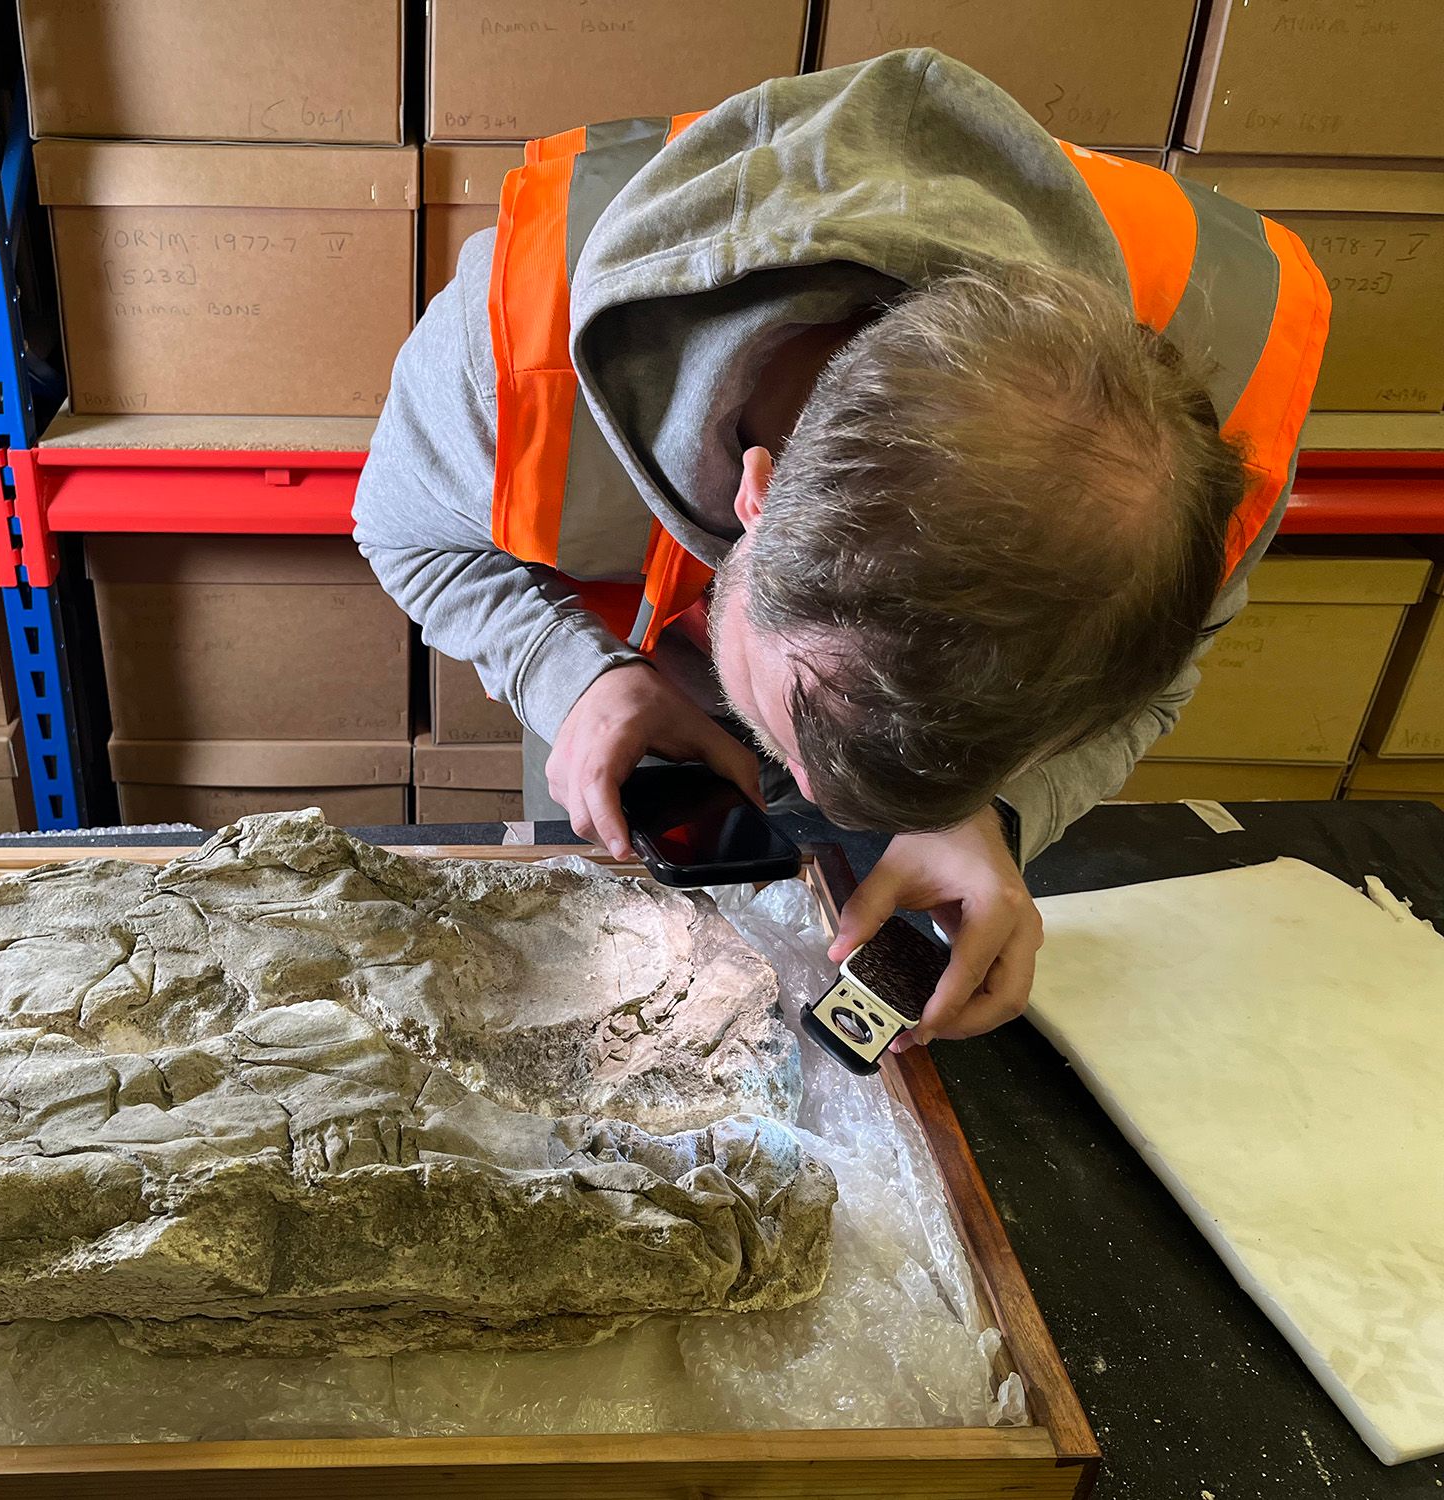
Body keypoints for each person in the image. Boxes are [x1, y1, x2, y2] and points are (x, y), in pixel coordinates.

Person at [353, 51, 1329, 1049]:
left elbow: (1154, 685)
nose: (814, 801)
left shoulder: (1221, 410)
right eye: (796, 720)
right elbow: (407, 535)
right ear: (754, 498)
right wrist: (571, 678)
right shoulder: (515, 337)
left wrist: (998, 807)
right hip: (634, 730)